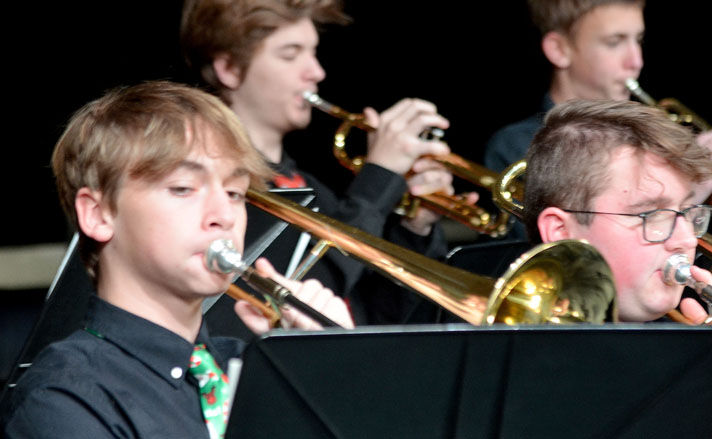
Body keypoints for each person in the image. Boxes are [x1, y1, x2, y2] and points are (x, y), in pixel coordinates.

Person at [1, 81, 354, 438]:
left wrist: (325, 369)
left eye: (235, 193)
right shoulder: (62, 399)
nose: (225, 215)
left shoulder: (251, 368)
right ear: (98, 214)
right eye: (183, 188)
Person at [180, 0, 457, 325]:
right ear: (229, 68)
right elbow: (285, 300)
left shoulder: (316, 192)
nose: (316, 72)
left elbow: (377, 319)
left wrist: (414, 227)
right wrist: (379, 178)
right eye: (290, 54)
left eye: (312, 52)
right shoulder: (216, 193)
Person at [523, 99, 712, 437]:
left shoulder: (697, 354)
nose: (686, 239)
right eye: (650, 215)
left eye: (689, 213)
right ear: (562, 232)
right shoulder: (528, 381)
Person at [484, 0, 712, 239]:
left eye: (638, 40)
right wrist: (684, 200)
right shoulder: (516, 145)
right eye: (614, 42)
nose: (635, 61)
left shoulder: (653, 134)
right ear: (559, 49)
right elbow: (542, 258)